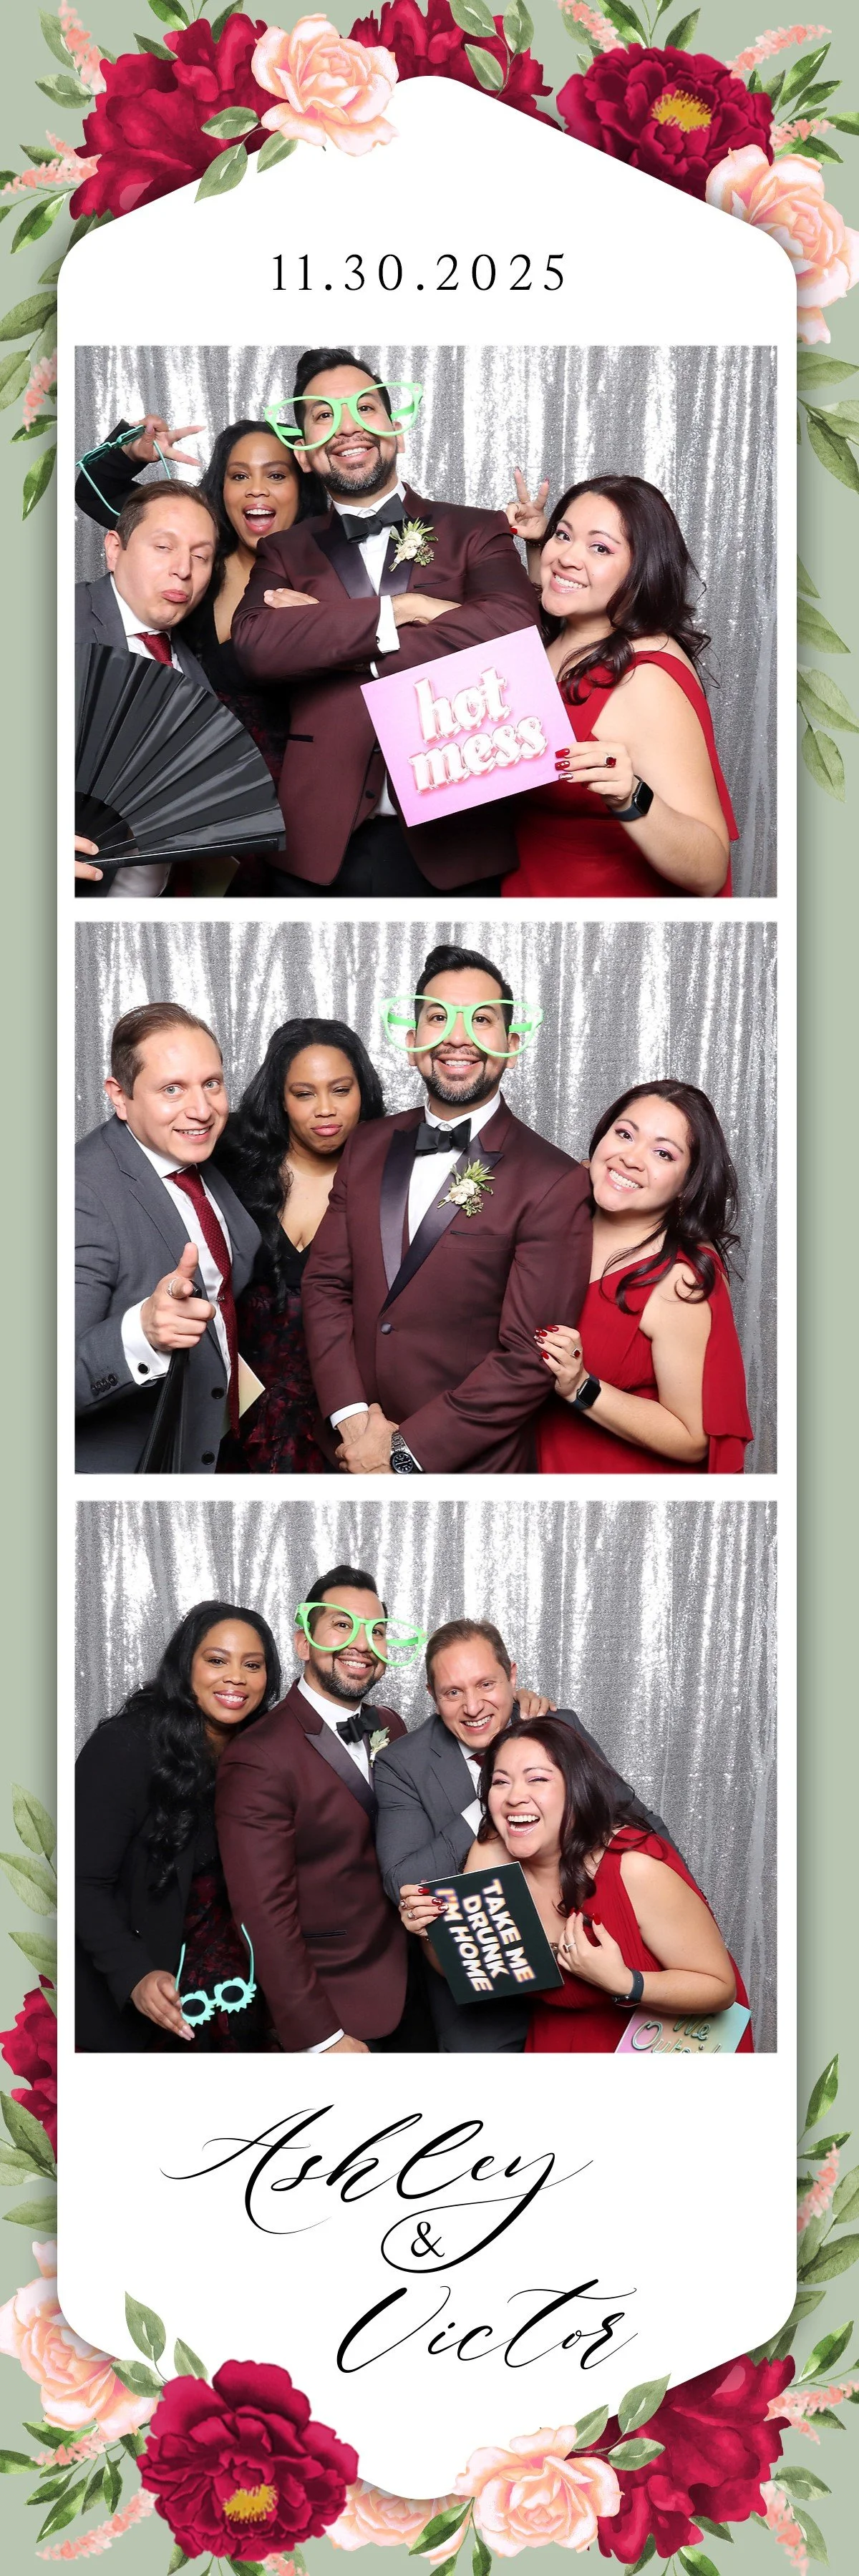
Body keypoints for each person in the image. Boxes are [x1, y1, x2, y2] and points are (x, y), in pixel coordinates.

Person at [230, 347, 540, 897]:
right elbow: (257, 646)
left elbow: (515, 632)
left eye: (364, 408)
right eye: (324, 415)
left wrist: (333, 633)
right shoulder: (283, 550)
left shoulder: (476, 529)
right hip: (319, 843)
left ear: (395, 430)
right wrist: (408, 611)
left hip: (457, 837)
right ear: (303, 452)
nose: (347, 427)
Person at [301, 944, 591, 1474]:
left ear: (512, 1044)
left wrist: (402, 1454)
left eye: (481, 1020)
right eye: (438, 1018)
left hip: (468, 1467)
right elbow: (325, 1285)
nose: (457, 1037)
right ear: (412, 1044)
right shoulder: (366, 1144)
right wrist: (352, 1420)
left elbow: (529, 1356)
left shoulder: (555, 1181)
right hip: (349, 1450)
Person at [377, 1618, 672, 2054]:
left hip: (594, 1979)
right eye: (452, 1692)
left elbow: (639, 1824)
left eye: (486, 1685)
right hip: (486, 2004)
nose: (473, 1706)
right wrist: (500, 1795)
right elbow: (403, 1880)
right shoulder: (403, 1763)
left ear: (513, 1677)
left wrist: (687, 1930)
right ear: (432, 1697)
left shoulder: (559, 1728)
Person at [502, 475, 737, 899]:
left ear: (642, 569)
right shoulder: (564, 636)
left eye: (600, 547)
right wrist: (538, 546)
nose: (568, 557)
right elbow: (557, 588)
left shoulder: (643, 676)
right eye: (564, 535)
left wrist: (631, 794)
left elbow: (710, 870)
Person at [214, 1567, 417, 2053]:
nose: (362, 1643)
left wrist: (511, 1713)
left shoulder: (390, 1724)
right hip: (335, 2008)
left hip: (414, 1988)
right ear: (304, 1643)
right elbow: (262, 1916)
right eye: (343, 1625)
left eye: (377, 1630)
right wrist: (322, 2039)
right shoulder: (258, 1755)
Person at [461, 1717, 754, 2053]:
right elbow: (472, 1969)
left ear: (577, 1788)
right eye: (501, 1782)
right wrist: (432, 1929)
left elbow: (719, 1989)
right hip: (562, 2036)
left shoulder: (634, 1868)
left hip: (662, 2041)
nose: (515, 1797)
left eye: (537, 1779)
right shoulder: (490, 1853)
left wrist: (624, 1982)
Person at [75, 1601, 281, 2051]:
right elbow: (81, 1882)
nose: (236, 1678)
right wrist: (134, 1974)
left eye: (253, 1665)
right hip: (148, 2002)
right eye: (216, 1660)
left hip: (236, 2000)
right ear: (185, 1665)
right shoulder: (125, 1746)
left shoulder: (267, 1754)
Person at [75, 411, 319, 784]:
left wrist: (330, 630)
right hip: (185, 793)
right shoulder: (193, 567)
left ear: (300, 487)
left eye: (276, 475)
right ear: (221, 489)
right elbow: (98, 494)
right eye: (239, 476)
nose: (257, 489)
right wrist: (131, 451)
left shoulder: (329, 576)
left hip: (301, 795)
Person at [75, 1003, 260, 1473]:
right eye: (172, 1089)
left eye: (211, 1084)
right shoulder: (77, 1193)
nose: (201, 1110)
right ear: (120, 1096)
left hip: (213, 1447)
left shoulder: (198, 1161)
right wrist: (143, 1333)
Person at [535, 1082, 752, 1474]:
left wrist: (581, 1386)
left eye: (663, 1153)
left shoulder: (678, 1282)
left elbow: (692, 1438)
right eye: (624, 1134)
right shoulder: (554, 1209)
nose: (631, 1158)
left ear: (688, 1182)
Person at [217, 1018, 386, 1473]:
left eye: (341, 1090)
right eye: (304, 1093)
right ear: (281, 1099)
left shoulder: (394, 1179)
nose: (325, 1110)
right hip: (229, 1418)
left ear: (363, 1092)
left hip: (346, 1424)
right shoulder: (227, 1163)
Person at [74, 479, 220, 897]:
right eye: (164, 547)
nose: (184, 569)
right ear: (115, 548)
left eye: (201, 556)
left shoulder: (194, 669)